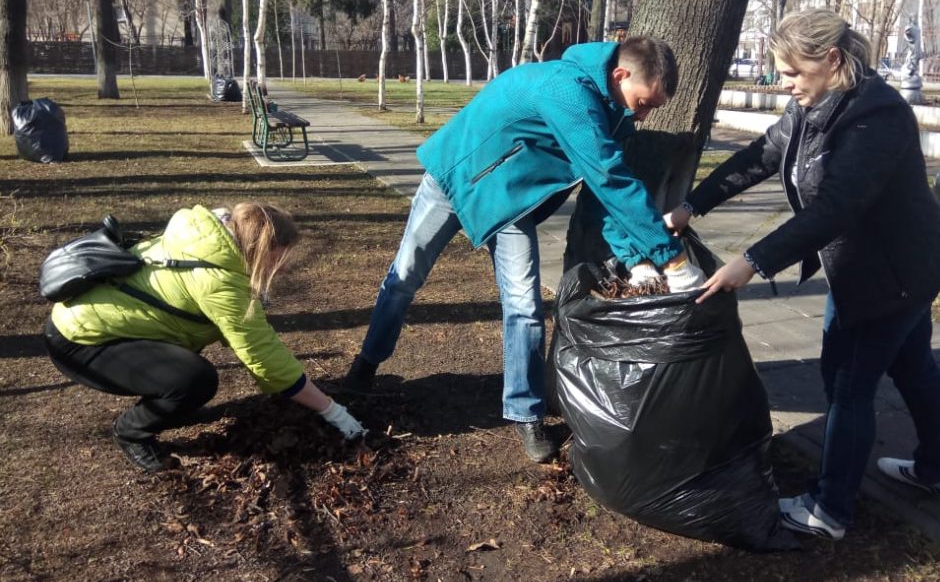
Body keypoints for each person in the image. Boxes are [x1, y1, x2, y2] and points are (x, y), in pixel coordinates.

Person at [663, 8, 940, 540]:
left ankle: (830, 510)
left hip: (891, 272)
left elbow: (835, 208)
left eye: (792, 72)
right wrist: (693, 205)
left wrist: (752, 262)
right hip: (891, 266)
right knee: (914, 365)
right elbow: (761, 154)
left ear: (831, 59)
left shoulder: (875, 118)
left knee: (847, 384)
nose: (784, 82)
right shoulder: (813, 106)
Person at [343, 37, 686, 463]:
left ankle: (525, 412)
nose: (644, 114)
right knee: (405, 277)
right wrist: (668, 253)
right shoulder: (567, 91)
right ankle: (367, 363)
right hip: (455, 177)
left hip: (509, 200)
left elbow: (603, 199)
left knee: (524, 304)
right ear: (620, 76)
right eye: (643, 102)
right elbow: (609, 177)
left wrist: (636, 260)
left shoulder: (615, 115)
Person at [44, 203, 366, 473]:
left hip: (85, 319)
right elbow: (264, 357)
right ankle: (132, 432)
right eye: (277, 260)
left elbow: (248, 334)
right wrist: (331, 410)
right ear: (257, 249)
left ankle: (172, 405)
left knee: (186, 376)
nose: (281, 270)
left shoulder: (206, 238)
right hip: (81, 342)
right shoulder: (219, 281)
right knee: (194, 380)